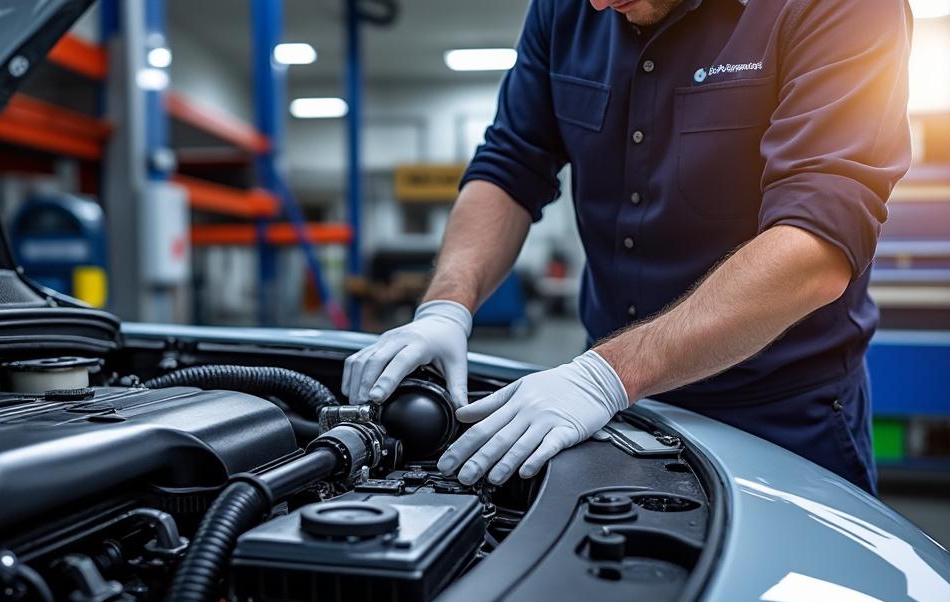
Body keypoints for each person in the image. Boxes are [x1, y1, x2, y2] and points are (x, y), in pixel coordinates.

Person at [342, 0, 913, 494]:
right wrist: (446, 306)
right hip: (615, 408)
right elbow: (510, 166)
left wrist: (605, 376)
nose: (597, 7)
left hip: (780, 415)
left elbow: (816, 244)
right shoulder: (568, 9)